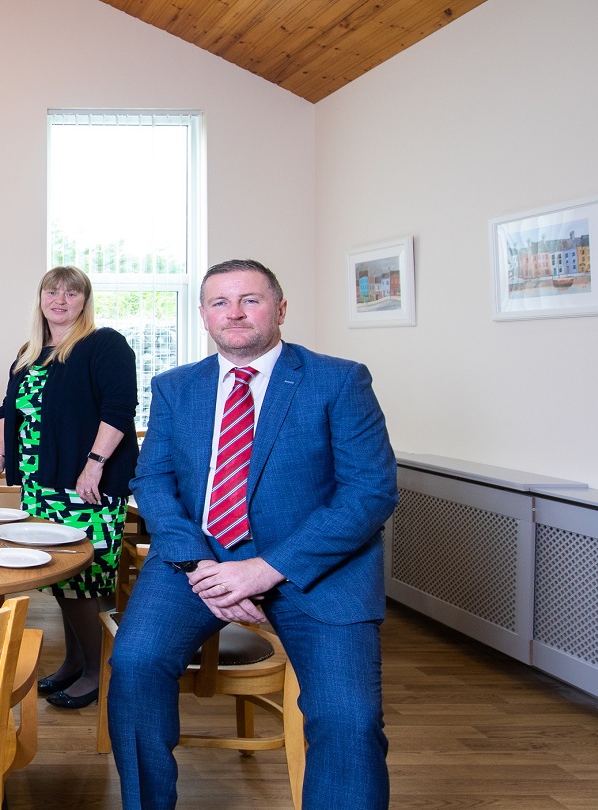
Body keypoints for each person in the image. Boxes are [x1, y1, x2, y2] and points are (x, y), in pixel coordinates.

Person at [107, 259, 398, 809]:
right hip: (200, 563)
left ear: (280, 309)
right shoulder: (176, 387)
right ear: (203, 316)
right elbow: (152, 478)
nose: (234, 313)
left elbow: (369, 494)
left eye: (250, 300)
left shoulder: (338, 380)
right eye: (220, 303)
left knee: (348, 717)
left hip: (316, 570)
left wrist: (264, 570)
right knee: (134, 665)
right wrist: (197, 565)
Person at [0, 266, 139, 710]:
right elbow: (6, 410)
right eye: (53, 291)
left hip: (83, 485)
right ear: (41, 298)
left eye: (72, 293)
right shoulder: (30, 352)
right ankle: (74, 663)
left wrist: (94, 465)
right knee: (63, 582)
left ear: (84, 301)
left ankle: (97, 673)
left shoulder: (103, 344)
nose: (61, 299)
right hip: (41, 483)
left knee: (85, 582)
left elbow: (119, 408)